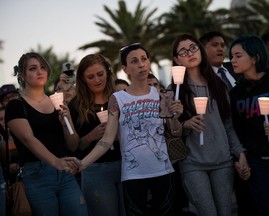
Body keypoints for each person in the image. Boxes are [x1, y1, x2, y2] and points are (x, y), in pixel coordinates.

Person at [73, 43, 183, 216]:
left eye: (144, 59)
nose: (141, 64)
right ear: (125, 69)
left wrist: (176, 117)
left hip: (163, 171)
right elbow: (107, 139)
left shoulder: (162, 95)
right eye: (134, 61)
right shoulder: (117, 99)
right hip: (133, 176)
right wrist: (82, 164)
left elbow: (176, 133)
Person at [171, 33, 249, 216]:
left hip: (223, 162)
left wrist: (240, 152)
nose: (190, 53)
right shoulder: (174, 92)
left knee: (226, 212)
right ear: (176, 59)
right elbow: (171, 132)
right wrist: (185, 123)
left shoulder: (219, 86)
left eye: (193, 47)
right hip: (193, 164)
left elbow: (228, 126)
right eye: (183, 51)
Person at [5, 52, 88, 216]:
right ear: (22, 74)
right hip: (37, 174)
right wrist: (56, 162)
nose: (39, 71)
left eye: (43, 67)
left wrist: (67, 121)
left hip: (65, 172)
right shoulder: (16, 105)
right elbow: (28, 139)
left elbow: (72, 144)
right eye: (33, 68)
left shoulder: (56, 101)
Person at [229, 35, 269, 216]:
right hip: (256, 163)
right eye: (232, 56)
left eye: (238, 56)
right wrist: (241, 156)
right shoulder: (236, 93)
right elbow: (237, 129)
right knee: (265, 209)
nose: (232, 60)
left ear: (255, 58)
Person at [199, 31, 256, 215]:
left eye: (223, 45)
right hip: (221, 149)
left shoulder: (234, 69)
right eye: (215, 45)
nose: (221, 49)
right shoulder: (201, 80)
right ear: (202, 48)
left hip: (249, 143)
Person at [68, 54, 125, 216]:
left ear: (108, 73)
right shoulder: (76, 106)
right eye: (91, 77)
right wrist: (91, 136)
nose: (97, 80)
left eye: (100, 74)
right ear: (83, 79)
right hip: (95, 171)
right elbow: (74, 146)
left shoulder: (121, 98)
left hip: (127, 166)